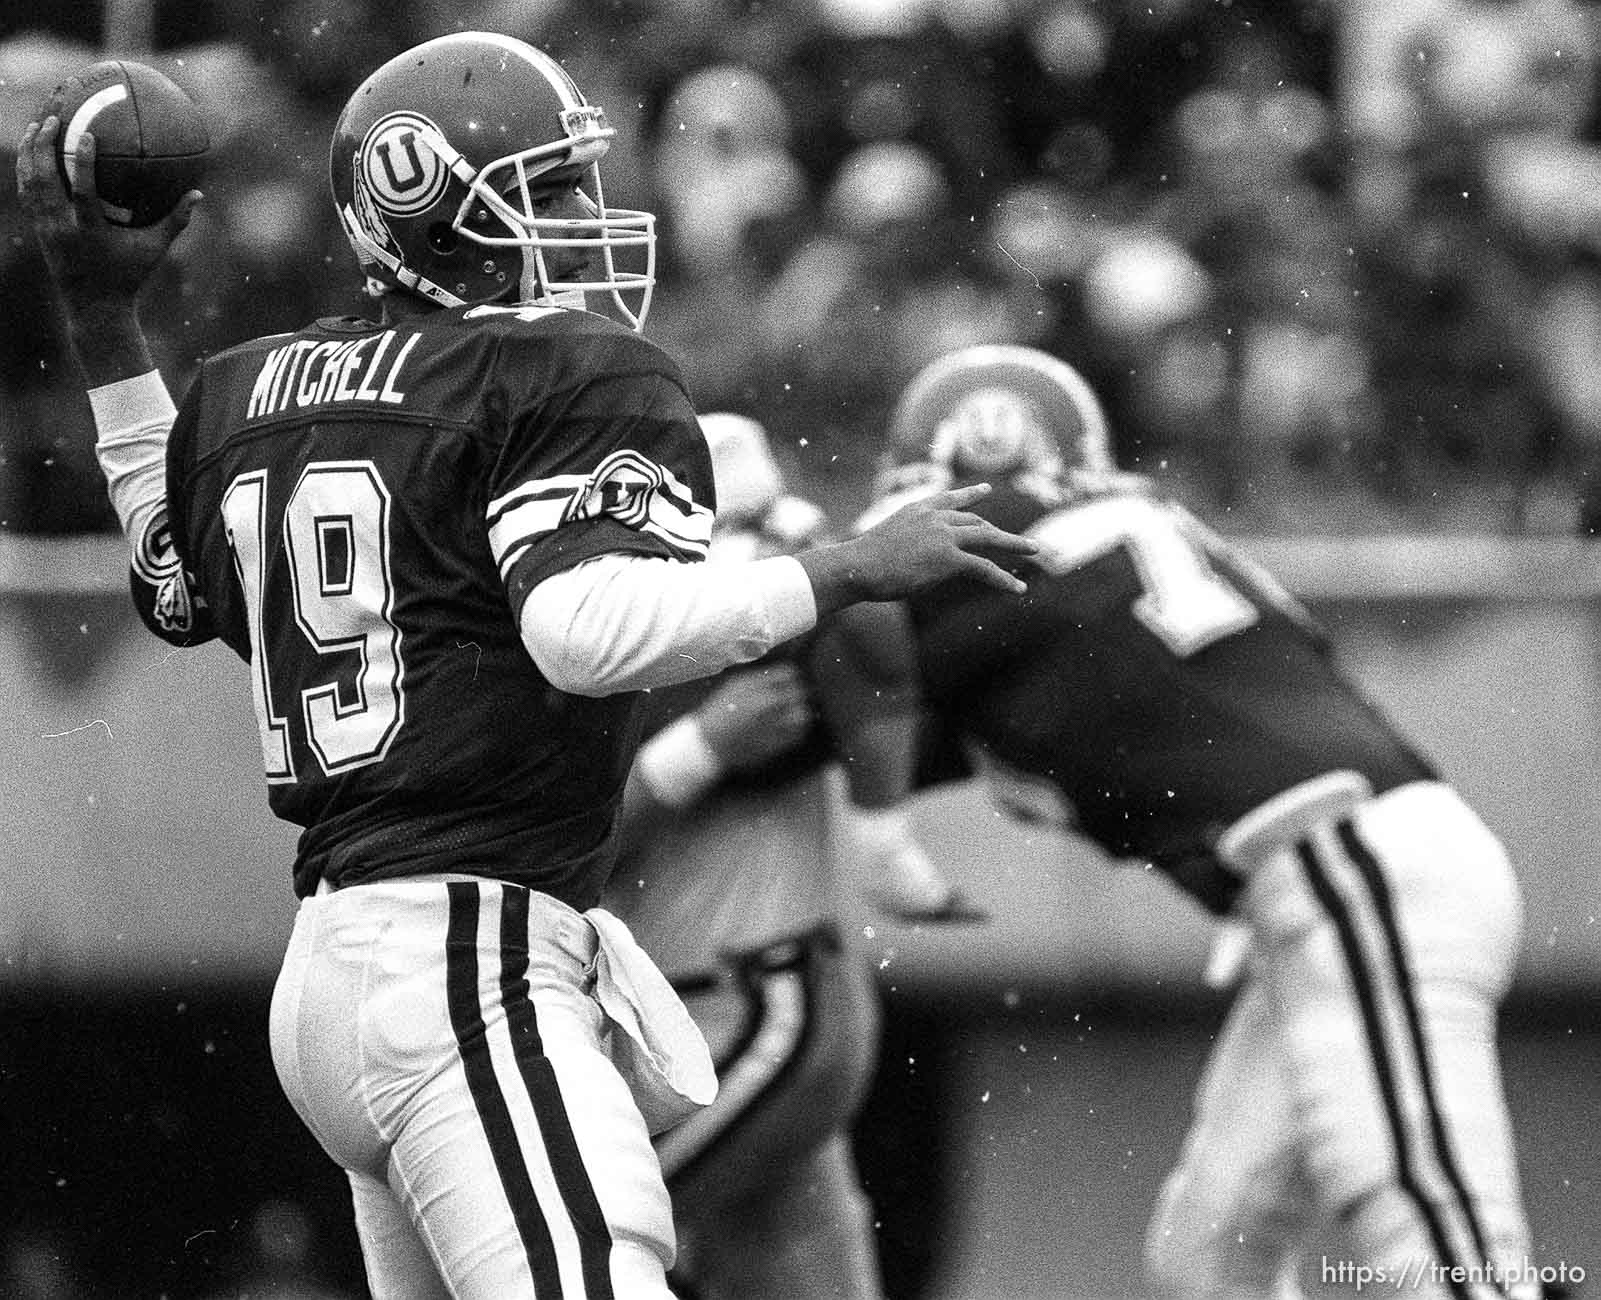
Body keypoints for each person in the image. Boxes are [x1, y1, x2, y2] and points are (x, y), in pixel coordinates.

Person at [16, 33, 1038, 1300]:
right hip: (464, 964)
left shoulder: (250, 388)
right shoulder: (559, 376)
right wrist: (845, 569)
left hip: (338, 976)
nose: (581, 217)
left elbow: (172, 578)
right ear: (432, 206)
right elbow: (584, 628)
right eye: (546, 189)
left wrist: (102, 316)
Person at [866, 343, 1550, 1300]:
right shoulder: (1133, 526)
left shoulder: (961, 555)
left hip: (1344, 869)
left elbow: (808, 678)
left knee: (1444, 1255)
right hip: (1359, 873)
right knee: (1210, 1257)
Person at [605, 411, 979, 1300]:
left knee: (561, 1234)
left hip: (752, 1002)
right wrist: (696, 749)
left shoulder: (736, 608)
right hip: (707, 1016)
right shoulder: (608, 630)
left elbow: (884, 685)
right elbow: (558, 845)